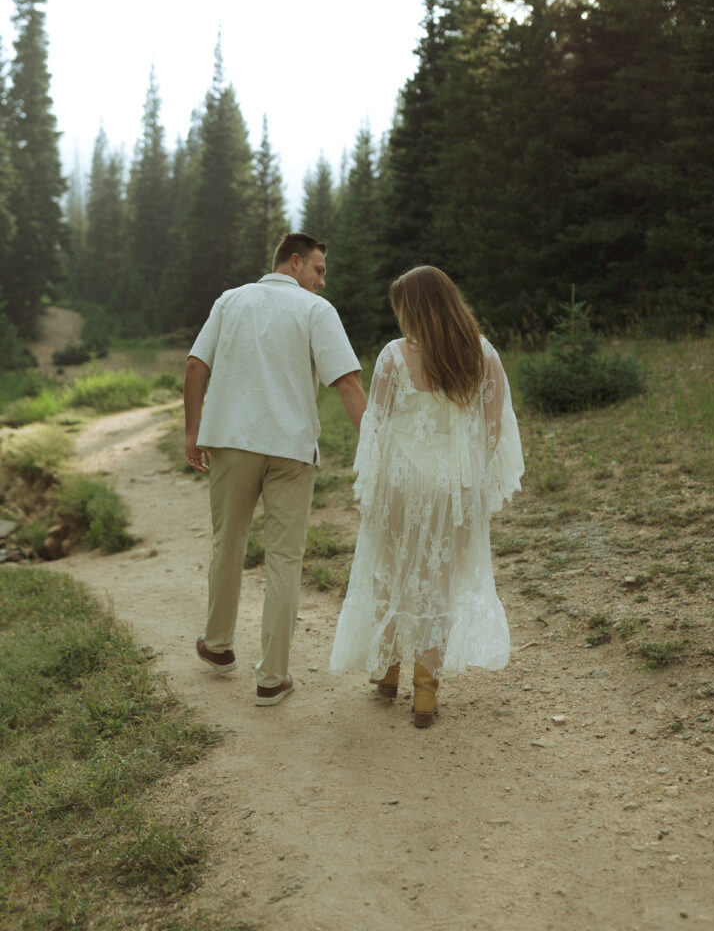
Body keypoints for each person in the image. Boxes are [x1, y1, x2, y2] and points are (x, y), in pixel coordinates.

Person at [329, 265, 524, 727]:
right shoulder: (483, 353)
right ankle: (425, 693)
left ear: (413, 308)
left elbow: (375, 426)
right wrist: (467, 473)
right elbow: (495, 429)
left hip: (402, 481)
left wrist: (372, 481)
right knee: (438, 580)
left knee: (389, 568)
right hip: (456, 486)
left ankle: (387, 671)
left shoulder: (394, 356)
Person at [185, 232, 367, 706]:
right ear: (294, 262)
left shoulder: (230, 301)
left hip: (231, 440)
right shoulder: (315, 311)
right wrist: (375, 447)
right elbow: (347, 382)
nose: (322, 282)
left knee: (229, 542)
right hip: (290, 448)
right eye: (319, 270)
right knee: (285, 558)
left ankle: (219, 646)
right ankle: (272, 678)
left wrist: (192, 432)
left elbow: (195, 366)